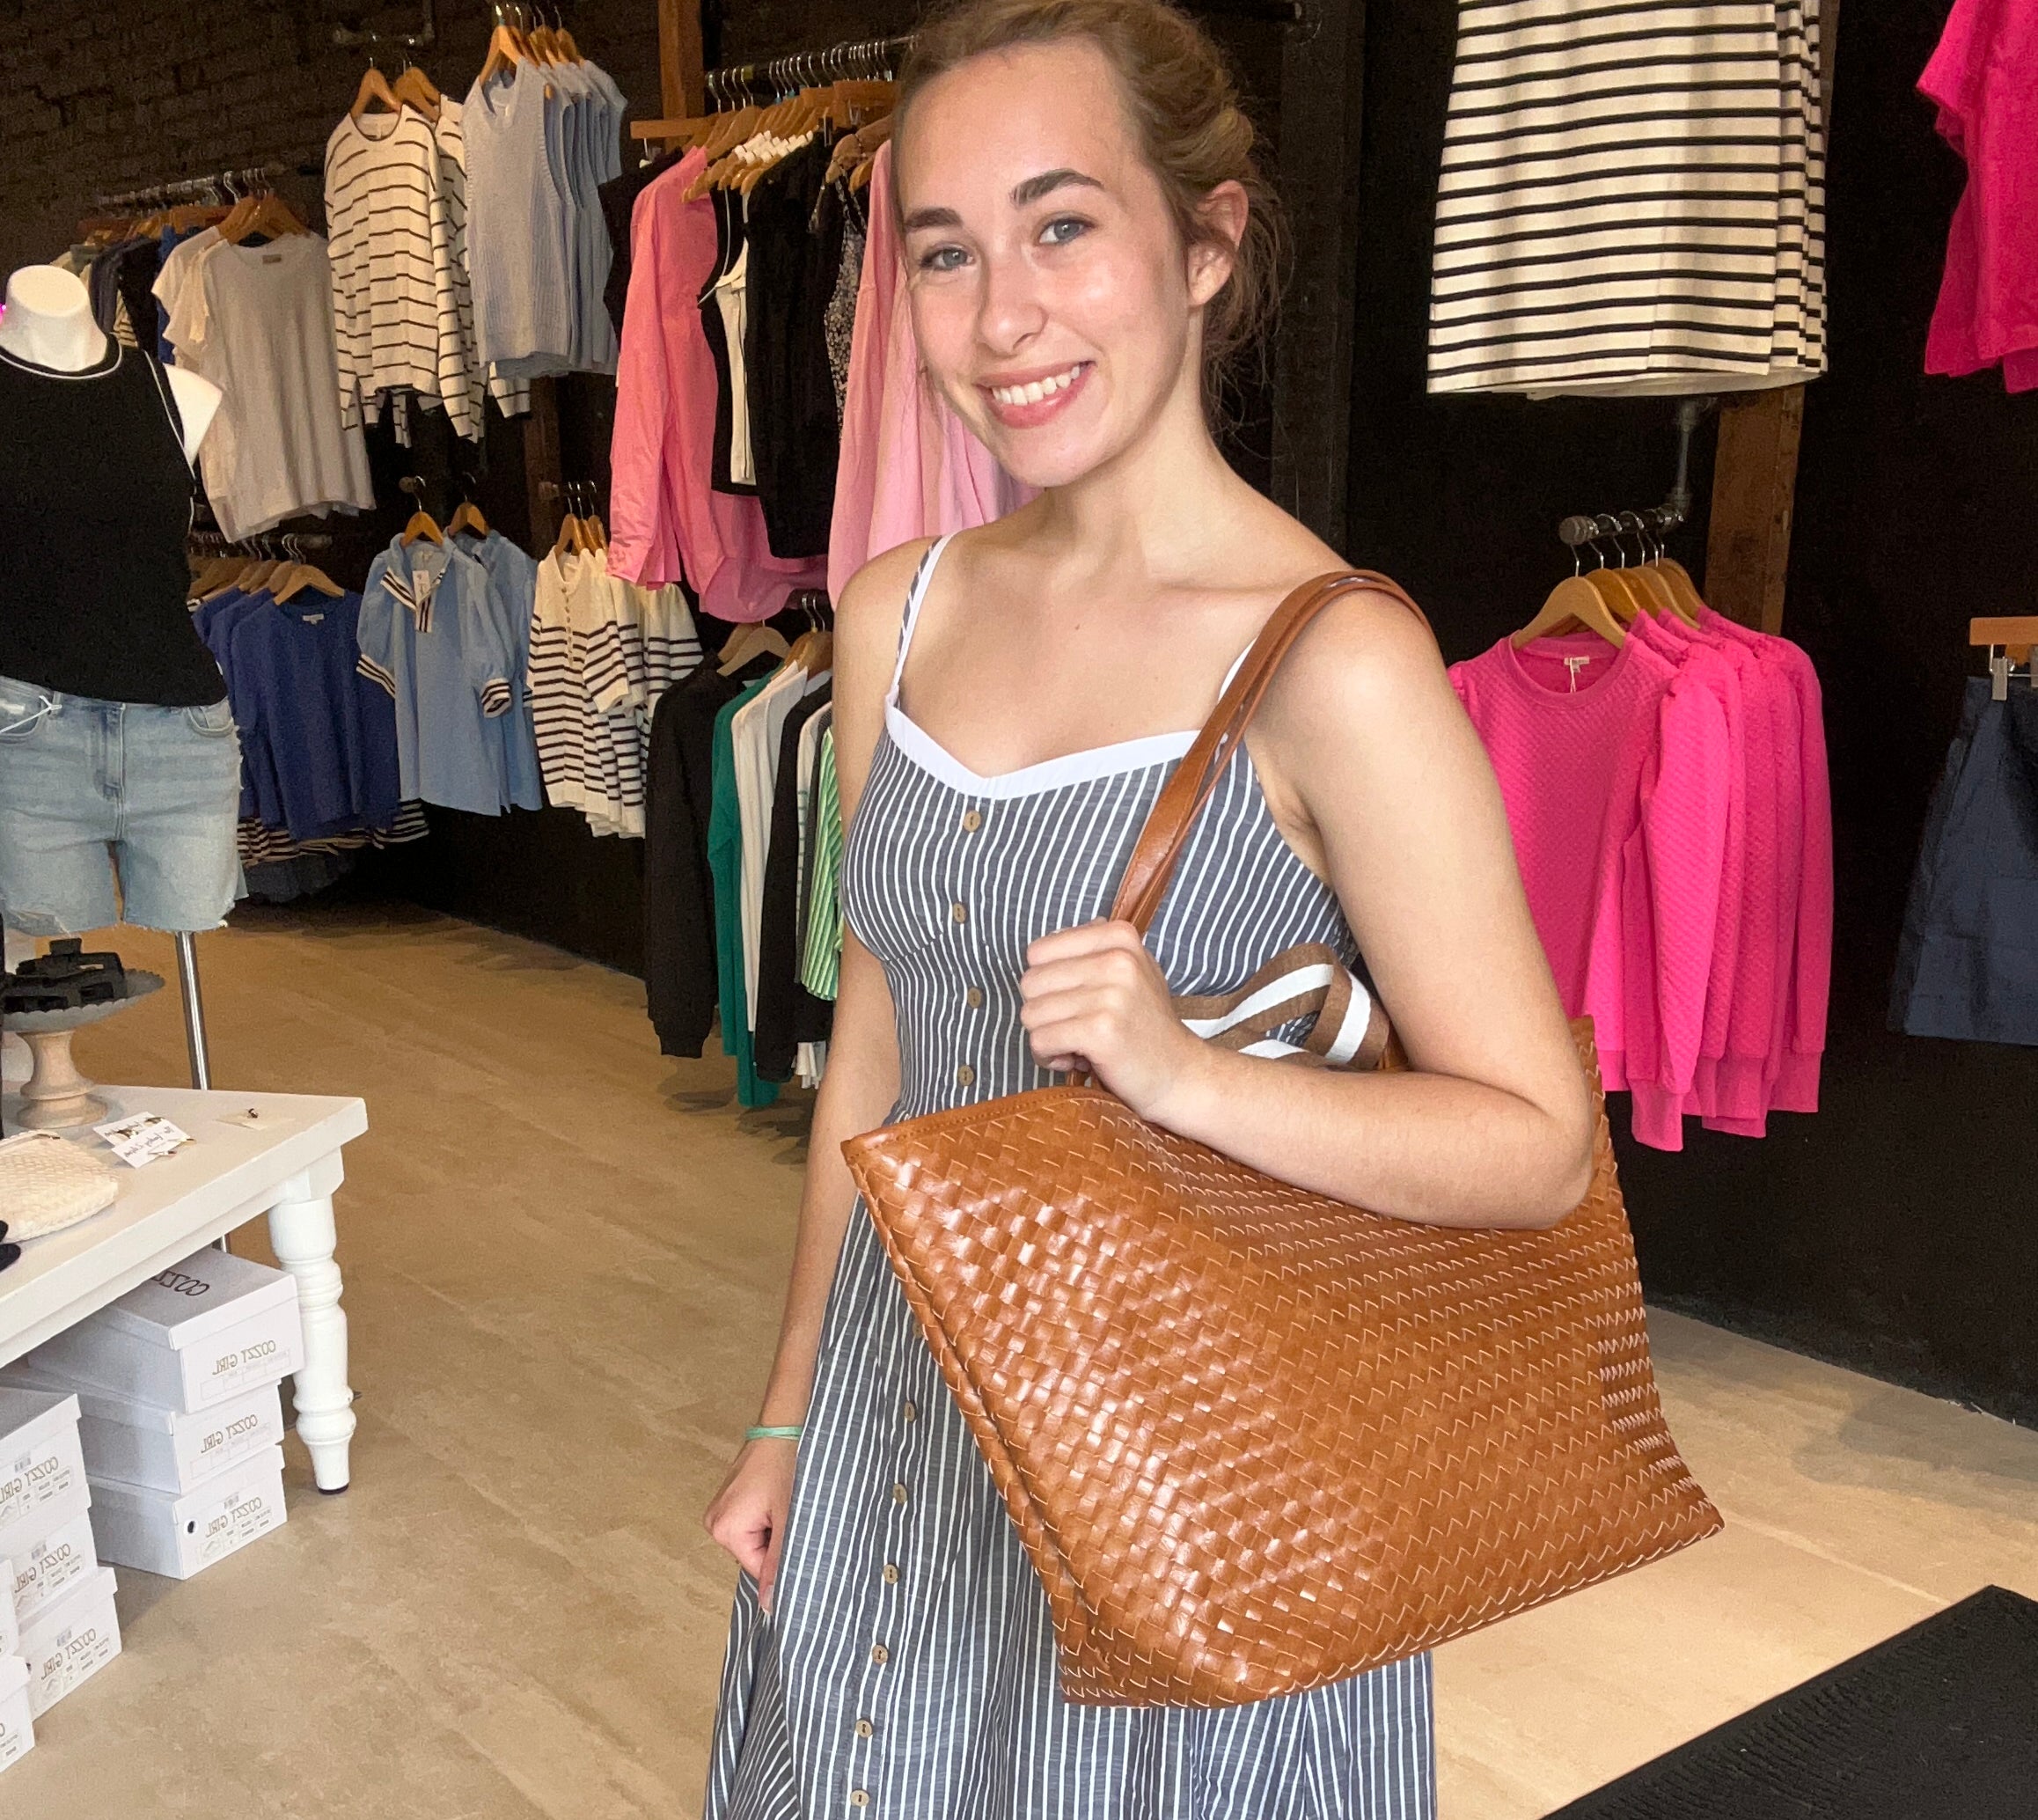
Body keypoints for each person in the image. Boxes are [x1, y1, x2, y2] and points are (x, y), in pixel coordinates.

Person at [701, 2, 1595, 1813]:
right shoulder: (896, 611)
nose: (999, 317)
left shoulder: (1334, 662)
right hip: (907, 1418)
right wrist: (792, 1404)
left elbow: (1538, 1144)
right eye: (943, 253)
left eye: (1063, 226)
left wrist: (1188, 1075)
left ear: (1207, 240)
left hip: (1208, 1462)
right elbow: (872, 1049)